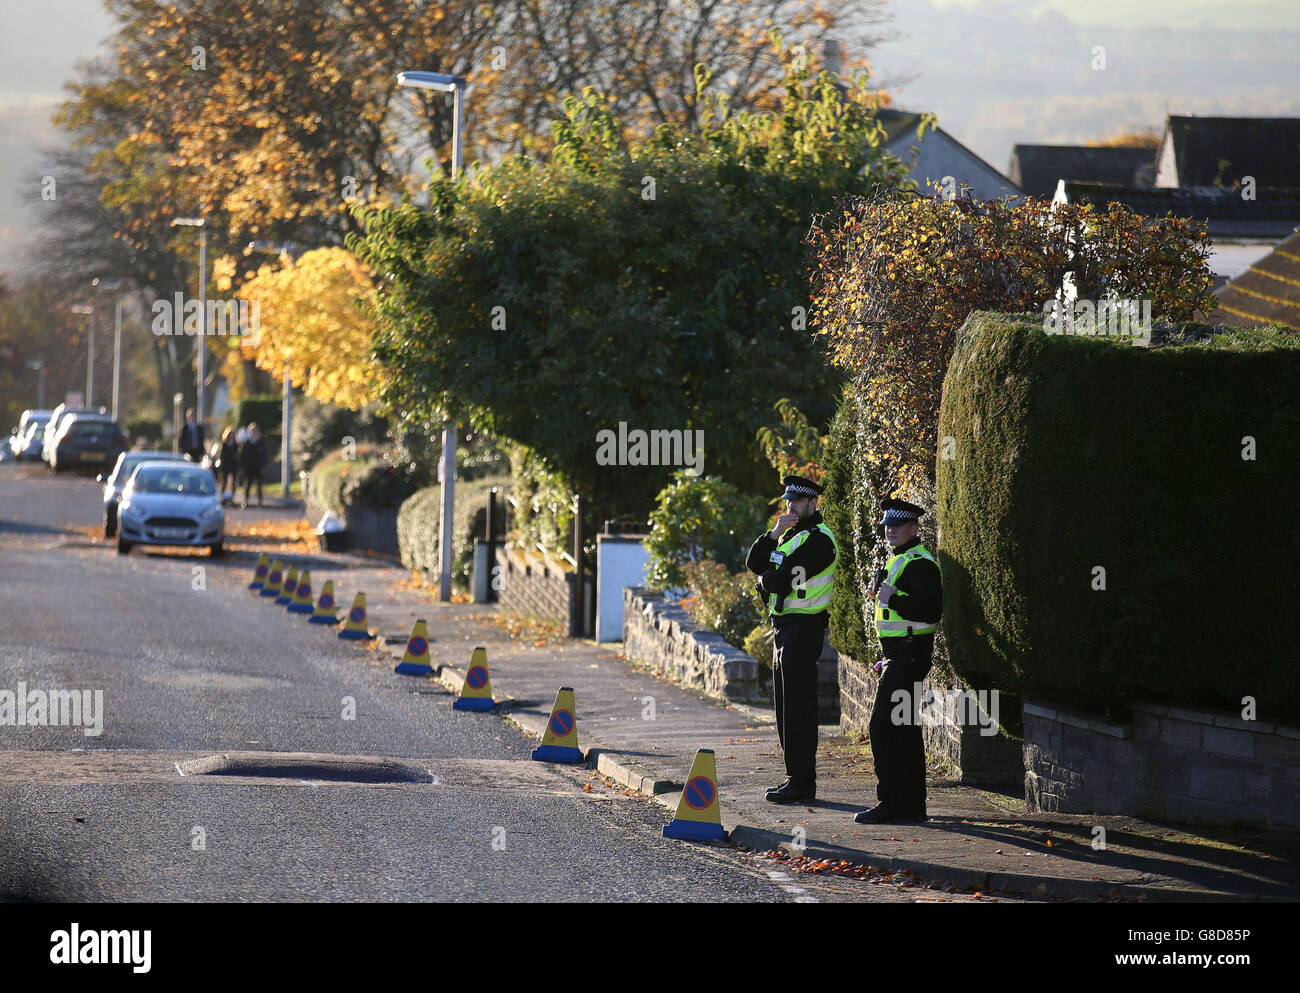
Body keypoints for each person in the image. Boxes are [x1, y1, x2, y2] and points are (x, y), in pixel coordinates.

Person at [745, 475, 838, 804]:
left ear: (813, 503)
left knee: (799, 707)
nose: (791, 506)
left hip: (803, 627)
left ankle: (802, 781)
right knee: (785, 708)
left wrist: (769, 576)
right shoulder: (789, 537)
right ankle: (794, 778)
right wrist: (772, 534)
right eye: (788, 501)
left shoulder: (819, 540)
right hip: (785, 628)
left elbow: (778, 581)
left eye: (797, 501)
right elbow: (755, 564)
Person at [853, 497, 944, 825]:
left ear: (914, 528)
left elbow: (930, 612)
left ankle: (891, 802)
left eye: (898, 525)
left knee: (882, 728)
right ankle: (913, 807)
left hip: (909, 656)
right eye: (887, 525)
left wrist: (892, 596)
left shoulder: (919, 563)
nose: (890, 530)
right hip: (899, 655)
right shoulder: (898, 560)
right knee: (904, 730)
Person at [240, 422, 266, 509]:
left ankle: (260, 502)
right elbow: (243, 456)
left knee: (259, 486)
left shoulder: (261, 443)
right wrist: (243, 467)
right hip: (249, 468)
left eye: (255, 431)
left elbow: (264, 456)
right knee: (247, 486)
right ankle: (245, 502)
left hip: (258, 467)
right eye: (251, 431)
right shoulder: (246, 443)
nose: (253, 433)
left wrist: (263, 466)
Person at [216, 427, 240, 503]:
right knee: (224, 481)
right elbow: (223, 455)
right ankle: (222, 496)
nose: (231, 436)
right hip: (226, 465)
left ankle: (232, 497)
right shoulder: (224, 444)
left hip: (233, 465)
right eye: (229, 435)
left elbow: (237, 455)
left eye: (232, 435)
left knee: (233, 482)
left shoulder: (236, 445)